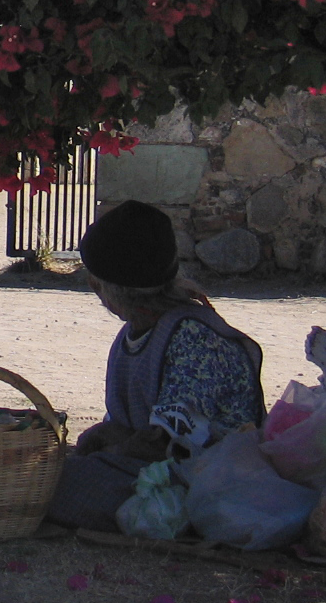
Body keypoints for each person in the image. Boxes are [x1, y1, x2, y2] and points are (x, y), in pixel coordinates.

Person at [46, 199, 267, 532]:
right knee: (51, 473)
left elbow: (171, 446)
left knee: (55, 485)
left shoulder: (195, 338)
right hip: (156, 467)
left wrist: (114, 449)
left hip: (210, 481)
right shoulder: (139, 331)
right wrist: (106, 434)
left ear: (101, 287)